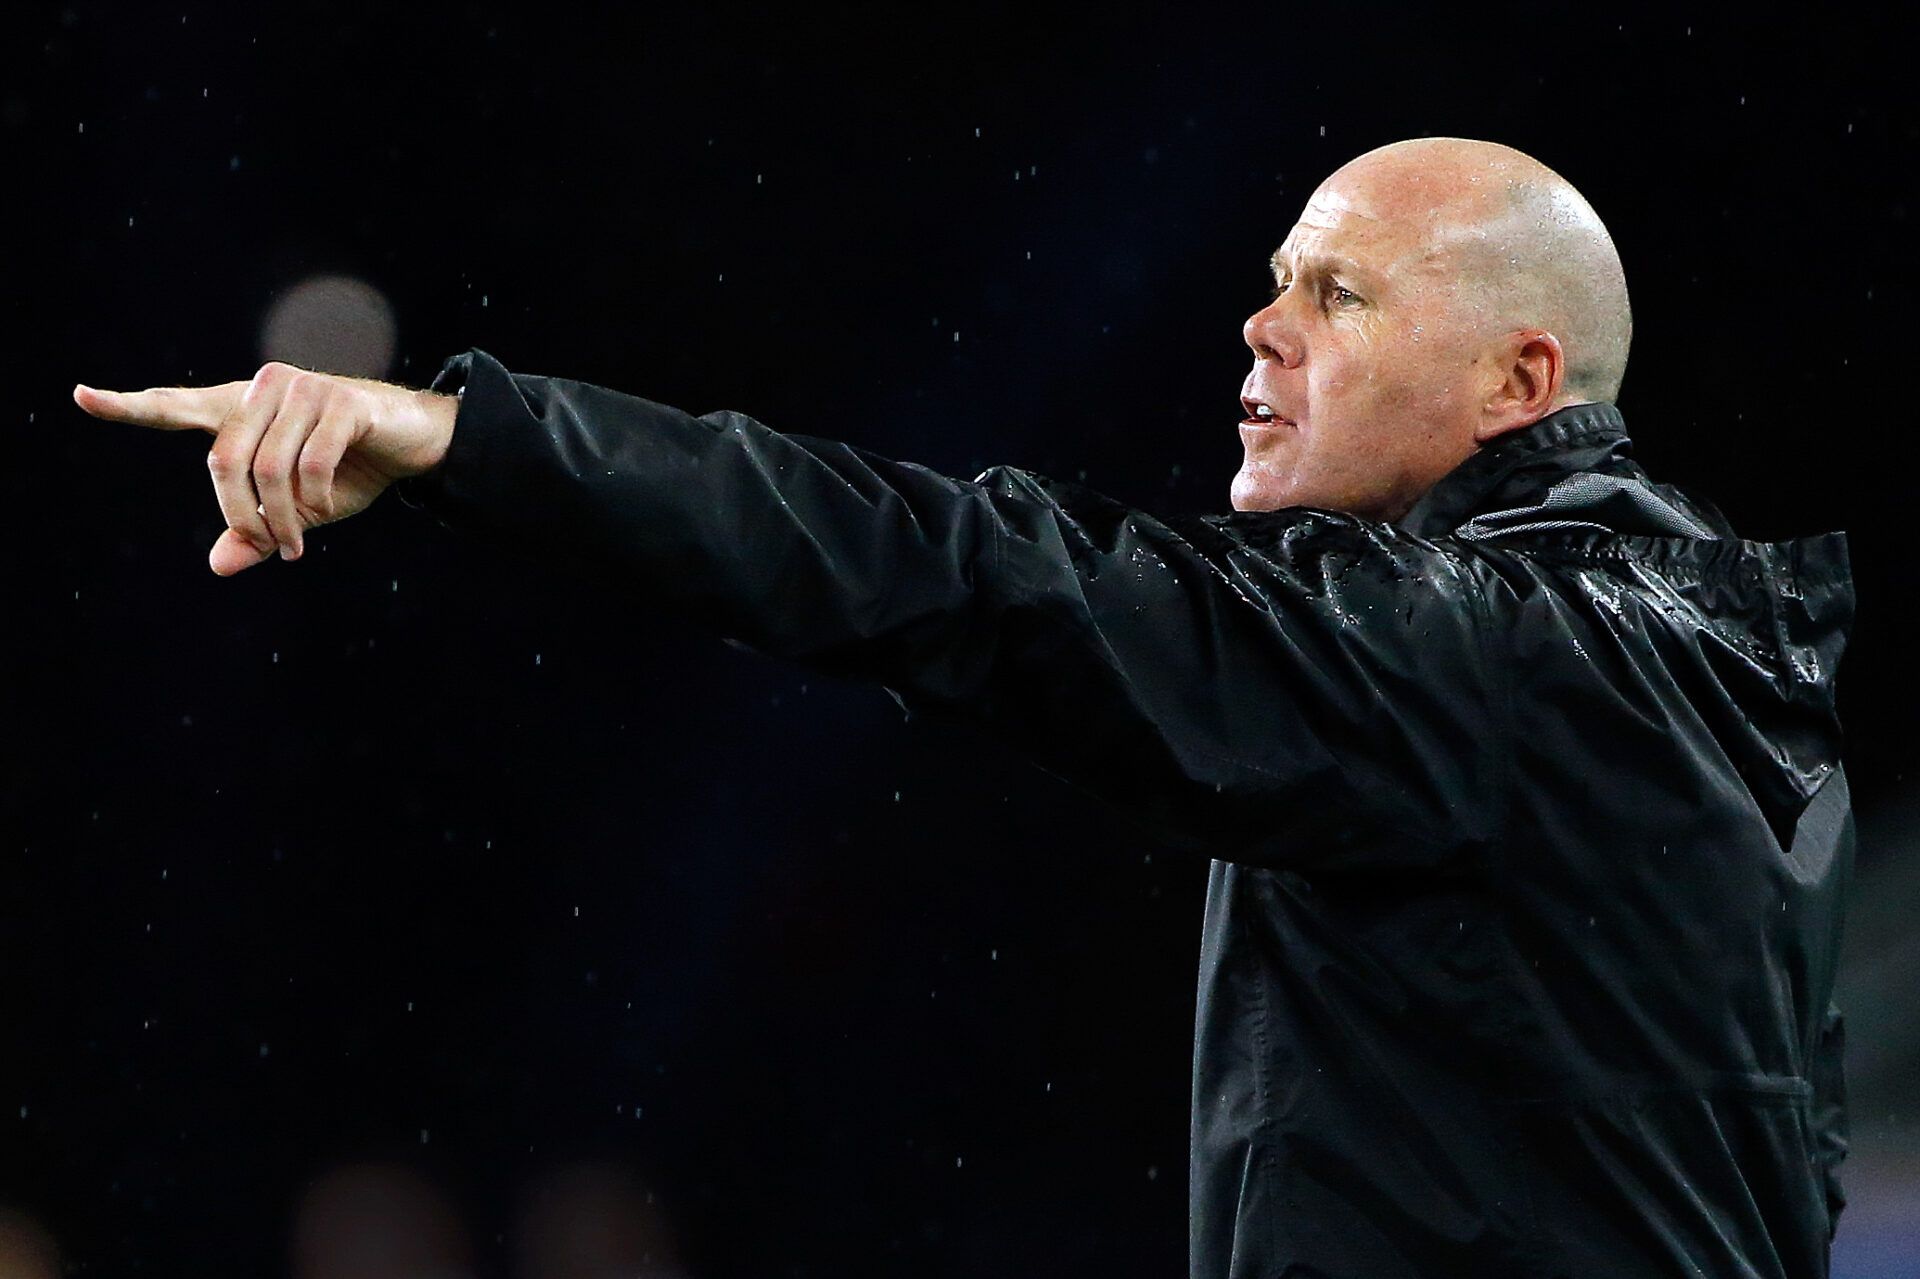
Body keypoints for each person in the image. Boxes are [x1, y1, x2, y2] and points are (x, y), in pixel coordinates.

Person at [73, 136, 1855, 1279]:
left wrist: (476, 439)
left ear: (1515, 381)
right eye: (1277, 275)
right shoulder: (1693, 653)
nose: (1259, 324)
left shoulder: (1476, 653)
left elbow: (963, 572)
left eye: (1338, 290)